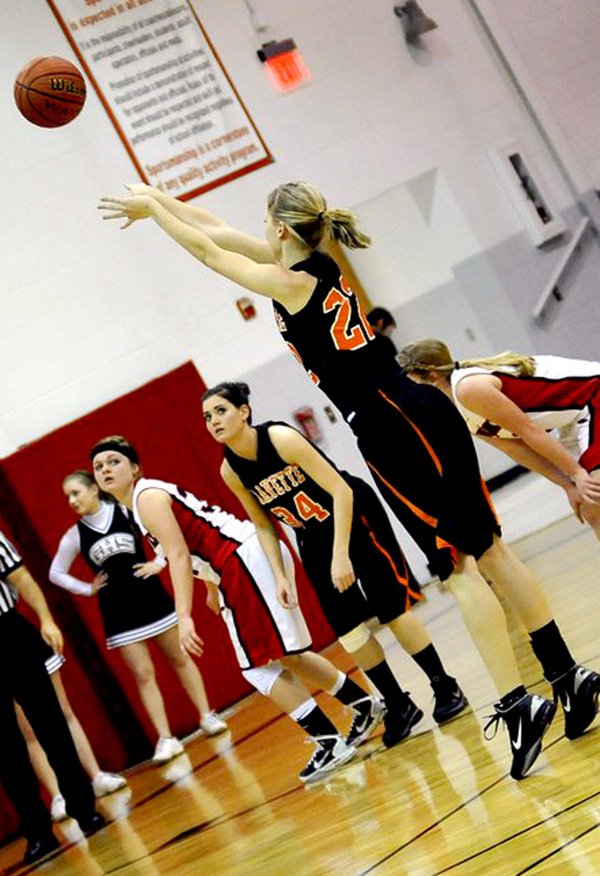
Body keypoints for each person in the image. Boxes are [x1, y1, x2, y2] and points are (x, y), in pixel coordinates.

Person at [97, 181, 597, 780]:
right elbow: (213, 228)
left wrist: (152, 211)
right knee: (492, 550)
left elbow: (210, 252)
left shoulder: (290, 282)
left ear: (281, 229)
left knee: (458, 566)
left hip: (392, 425)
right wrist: (160, 198)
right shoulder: (314, 264)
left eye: (264, 221)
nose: (254, 230)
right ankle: (567, 675)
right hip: (419, 410)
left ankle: (519, 706)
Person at [90, 435, 385, 784]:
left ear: (135, 467)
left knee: (257, 667)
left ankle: (328, 741)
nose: (105, 469)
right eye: (98, 467)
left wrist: (183, 616)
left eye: (113, 461)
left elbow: (180, 556)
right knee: (285, 656)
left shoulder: (147, 498)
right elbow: (195, 537)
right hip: (240, 560)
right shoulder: (141, 502)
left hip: (240, 561)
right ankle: (364, 705)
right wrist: (211, 586)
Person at [202, 380, 468, 748]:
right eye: (207, 417)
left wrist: (341, 553)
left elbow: (340, 490)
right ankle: (397, 703)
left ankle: (444, 685)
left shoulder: (280, 439)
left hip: (354, 515)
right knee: (349, 629)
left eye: (220, 411)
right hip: (311, 536)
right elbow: (264, 524)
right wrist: (280, 576)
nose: (214, 420)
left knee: (391, 609)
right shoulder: (230, 471)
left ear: (244, 412)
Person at [49, 470, 227, 766]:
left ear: (93, 489)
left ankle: (207, 715)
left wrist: (159, 563)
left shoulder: (126, 511)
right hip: (118, 611)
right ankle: (165, 738)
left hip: (150, 597)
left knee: (180, 658)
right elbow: (55, 572)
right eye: (67, 496)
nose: (72, 500)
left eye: (76, 492)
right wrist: (88, 588)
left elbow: (162, 536)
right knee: (143, 675)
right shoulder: (75, 534)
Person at [396, 340, 600, 535]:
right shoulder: (457, 405)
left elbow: (529, 430)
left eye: (412, 382)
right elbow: (516, 449)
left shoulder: (468, 388)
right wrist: (567, 485)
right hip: (575, 418)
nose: (410, 390)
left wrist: (576, 473)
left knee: (594, 502)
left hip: (593, 396)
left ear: (431, 376)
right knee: (591, 508)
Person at [0, 528, 105, 865]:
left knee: (51, 726)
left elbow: (21, 579)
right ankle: (37, 832)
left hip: (9, 634)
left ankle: (82, 807)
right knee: (6, 750)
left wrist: (46, 619)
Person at [16, 654, 127, 822]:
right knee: (29, 730)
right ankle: (58, 796)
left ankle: (96, 776)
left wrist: (48, 625)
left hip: (24, 642)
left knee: (63, 711)